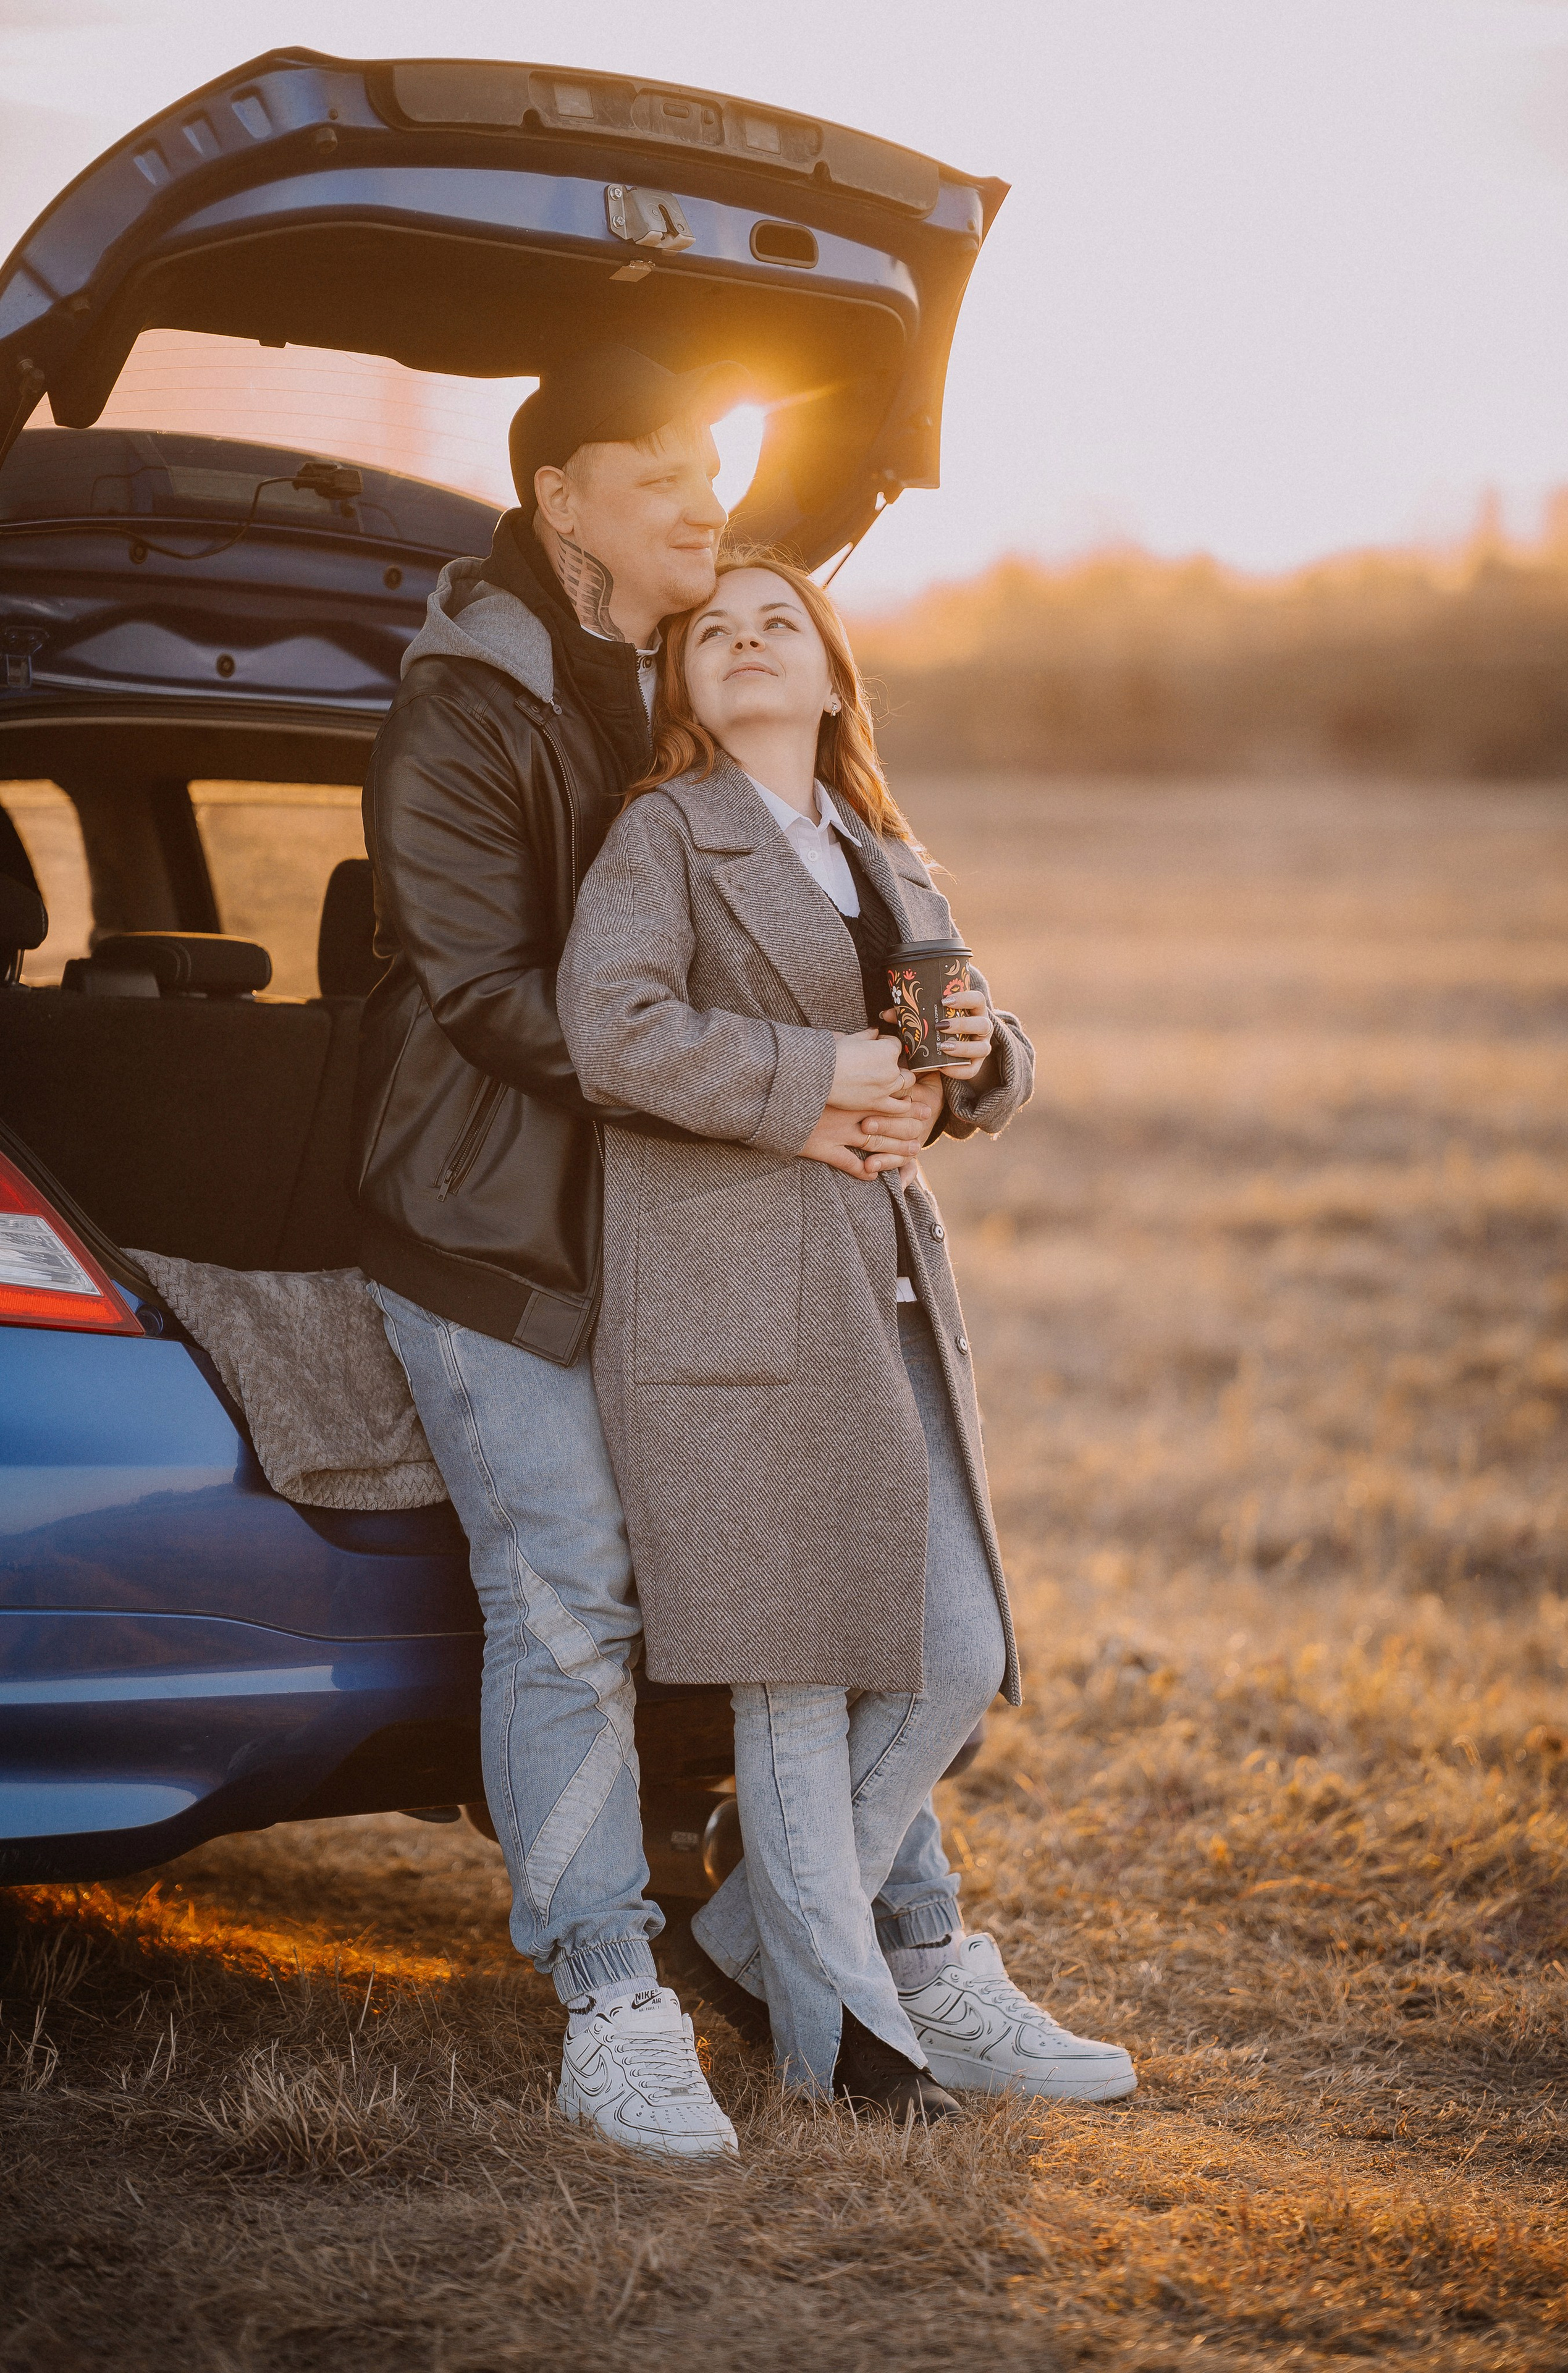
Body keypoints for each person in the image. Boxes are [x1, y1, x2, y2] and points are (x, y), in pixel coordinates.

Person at [352, 348, 941, 2159]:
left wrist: (908, 1074)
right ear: (562, 504)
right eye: (664, 474)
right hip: (488, 1224)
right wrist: (789, 1092)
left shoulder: (672, 684)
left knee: (822, 1556)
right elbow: (511, 1001)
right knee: (577, 1584)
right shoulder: (466, 712)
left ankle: (883, 1936)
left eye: (716, 466)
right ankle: (611, 1989)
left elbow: (780, 944)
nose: (708, 500)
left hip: (680, 1229)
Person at [559, 557, 1138, 2117]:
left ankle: (750, 1934)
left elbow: (971, 1055)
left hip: (883, 1295)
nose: (745, 644)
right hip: (729, 1295)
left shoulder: (881, 851)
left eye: (780, 626)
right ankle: (850, 2047)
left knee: (956, 1647)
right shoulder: (660, 835)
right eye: (714, 632)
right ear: (682, 686)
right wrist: (810, 1075)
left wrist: (982, 1056)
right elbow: (607, 1029)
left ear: (831, 677)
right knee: (793, 1671)